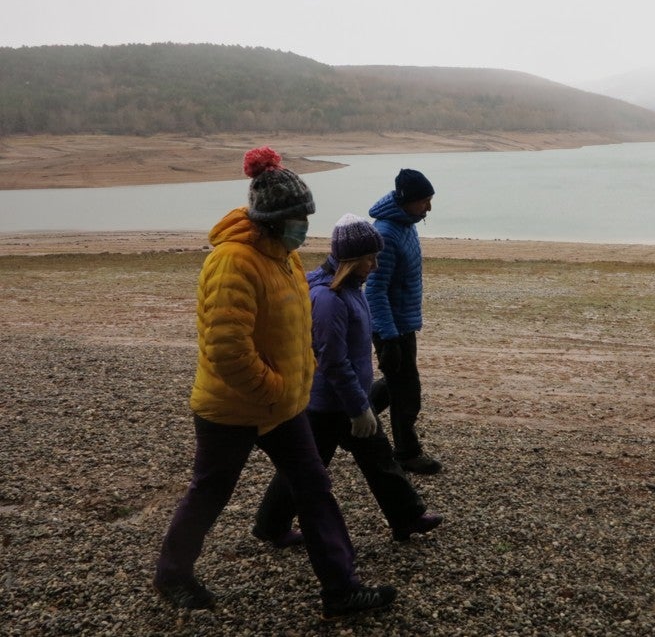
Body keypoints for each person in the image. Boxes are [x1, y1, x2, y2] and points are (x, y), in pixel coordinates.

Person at [153, 146, 396, 620]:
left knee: (314, 486)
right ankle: (172, 574)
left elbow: (293, 328)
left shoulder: (282, 256)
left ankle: (341, 589)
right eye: (297, 217)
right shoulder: (233, 262)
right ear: (270, 220)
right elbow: (227, 349)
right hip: (233, 409)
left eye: (306, 215)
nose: (305, 224)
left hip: (282, 405)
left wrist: (289, 391)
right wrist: (275, 391)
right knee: (210, 491)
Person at [254, 213, 443, 543]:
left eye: (375, 257)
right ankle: (272, 526)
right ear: (350, 259)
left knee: (378, 459)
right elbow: (333, 361)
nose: (374, 264)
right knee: (306, 469)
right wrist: (359, 408)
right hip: (330, 404)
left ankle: (407, 517)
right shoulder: (329, 299)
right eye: (369, 258)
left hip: (345, 397)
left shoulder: (351, 288)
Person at [366, 169, 442, 475]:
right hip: (391, 327)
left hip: (403, 324)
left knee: (397, 383)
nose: (429, 207)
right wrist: (389, 336)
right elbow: (374, 289)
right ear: (407, 201)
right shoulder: (385, 233)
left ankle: (348, 415)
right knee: (407, 391)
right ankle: (407, 453)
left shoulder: (406, 226)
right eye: (424, 201)